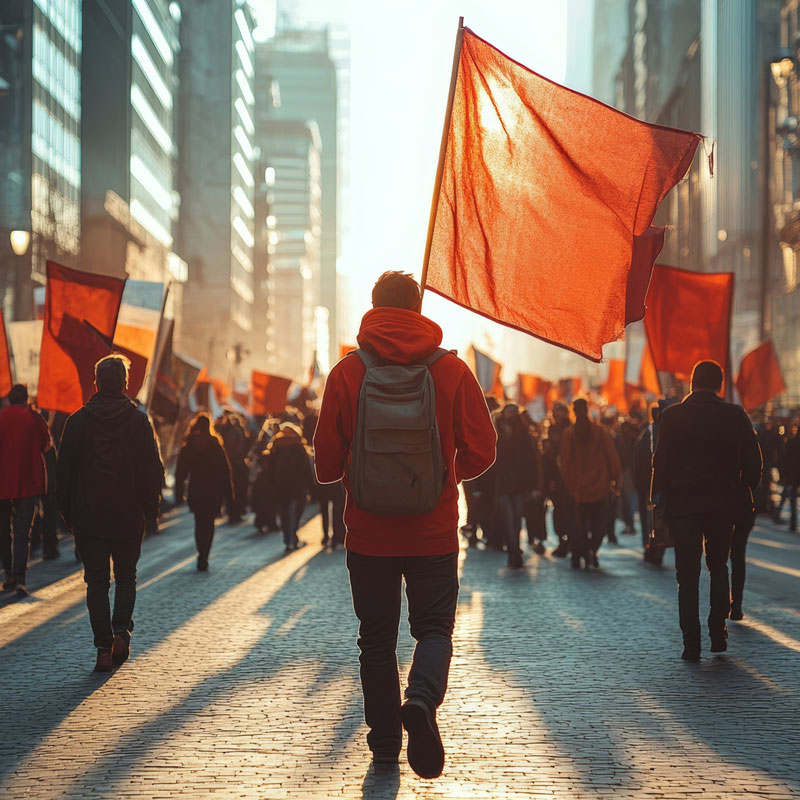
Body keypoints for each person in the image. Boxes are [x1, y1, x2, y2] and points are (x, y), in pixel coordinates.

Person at [314, 271, 496, 779]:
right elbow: (485, 448)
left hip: (368, 535)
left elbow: (326, 466)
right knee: (434, 629)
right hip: (433, 533)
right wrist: (444, 476)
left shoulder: (347, 372)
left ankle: (384, 746)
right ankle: (421, 699)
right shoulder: (453, 371)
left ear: (374, 307)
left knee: (375, 639)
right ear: (418, 310)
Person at [57, 355, 163, 671]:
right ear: (125, 383)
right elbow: (152, 472)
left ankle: (103, 648)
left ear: (96, 383)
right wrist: (150, 511)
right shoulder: (138, 421)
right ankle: (120, 632)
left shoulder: (76, 422)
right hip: (129, 517)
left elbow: (63, 475)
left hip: (89, 518)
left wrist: (69, 516)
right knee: (126, 578)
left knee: (97, 583)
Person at [651, 360, 762, 661]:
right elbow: (754, 463)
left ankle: (691, 642)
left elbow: (659, 463)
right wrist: (745, 488)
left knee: (686, 575)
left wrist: (656, 503)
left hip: (682, 506)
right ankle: (718, 629)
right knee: (718, 566)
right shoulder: (734, 415)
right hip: (722, 505)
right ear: (720, 384)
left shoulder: (672, 416)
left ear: (691, 382)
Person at [0, 384, 51, 597]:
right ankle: (20, 577)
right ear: (25, 399)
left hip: (2, 483)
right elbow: (46, 445)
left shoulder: (1, 417)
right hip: (28, 482)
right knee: (22, 532)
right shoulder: (34, 418)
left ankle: (9, 573)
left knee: (3, 531)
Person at [559, 398, 621, 569]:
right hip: (600, 487)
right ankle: (592, 549)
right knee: (599, 523)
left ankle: (579, 553)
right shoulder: (600, 432)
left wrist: (570, 485)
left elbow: (564, 462)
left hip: (577, 489)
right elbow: (612, 457)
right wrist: (616, 481)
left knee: (577, 524)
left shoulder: (569, 433)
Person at [175, 414, 234, 571]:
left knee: (199, 523)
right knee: (209, 524)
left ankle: (200, 552)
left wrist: (179, 490)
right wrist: (229, 494)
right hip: (213, 490)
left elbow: (181, 470)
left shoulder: (189, 445)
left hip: (196, 488)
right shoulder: (215, 445)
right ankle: (204, 555)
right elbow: (225, 471)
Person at [492, 404, 540, 568]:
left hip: (519, 484)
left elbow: (532, 460)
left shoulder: (523, 433)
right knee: (508, 518)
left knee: (517, 519)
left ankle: (515, 548)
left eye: (514, 412)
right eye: (509, 412)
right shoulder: (495, 431)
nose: (512, 415)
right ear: (503, 413)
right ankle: (514, 551)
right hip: (503, 483)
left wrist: (533, 486)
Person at [260, 422, 314, 552]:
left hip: (280, 486)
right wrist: (310, 486)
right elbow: (305, 468)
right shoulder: (298, 446)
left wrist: (270, 484)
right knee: (296, 513)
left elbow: (270, 468)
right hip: (298, 486)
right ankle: (293, 535)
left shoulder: (276, 445)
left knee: (284, 512)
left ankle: (287, 537)